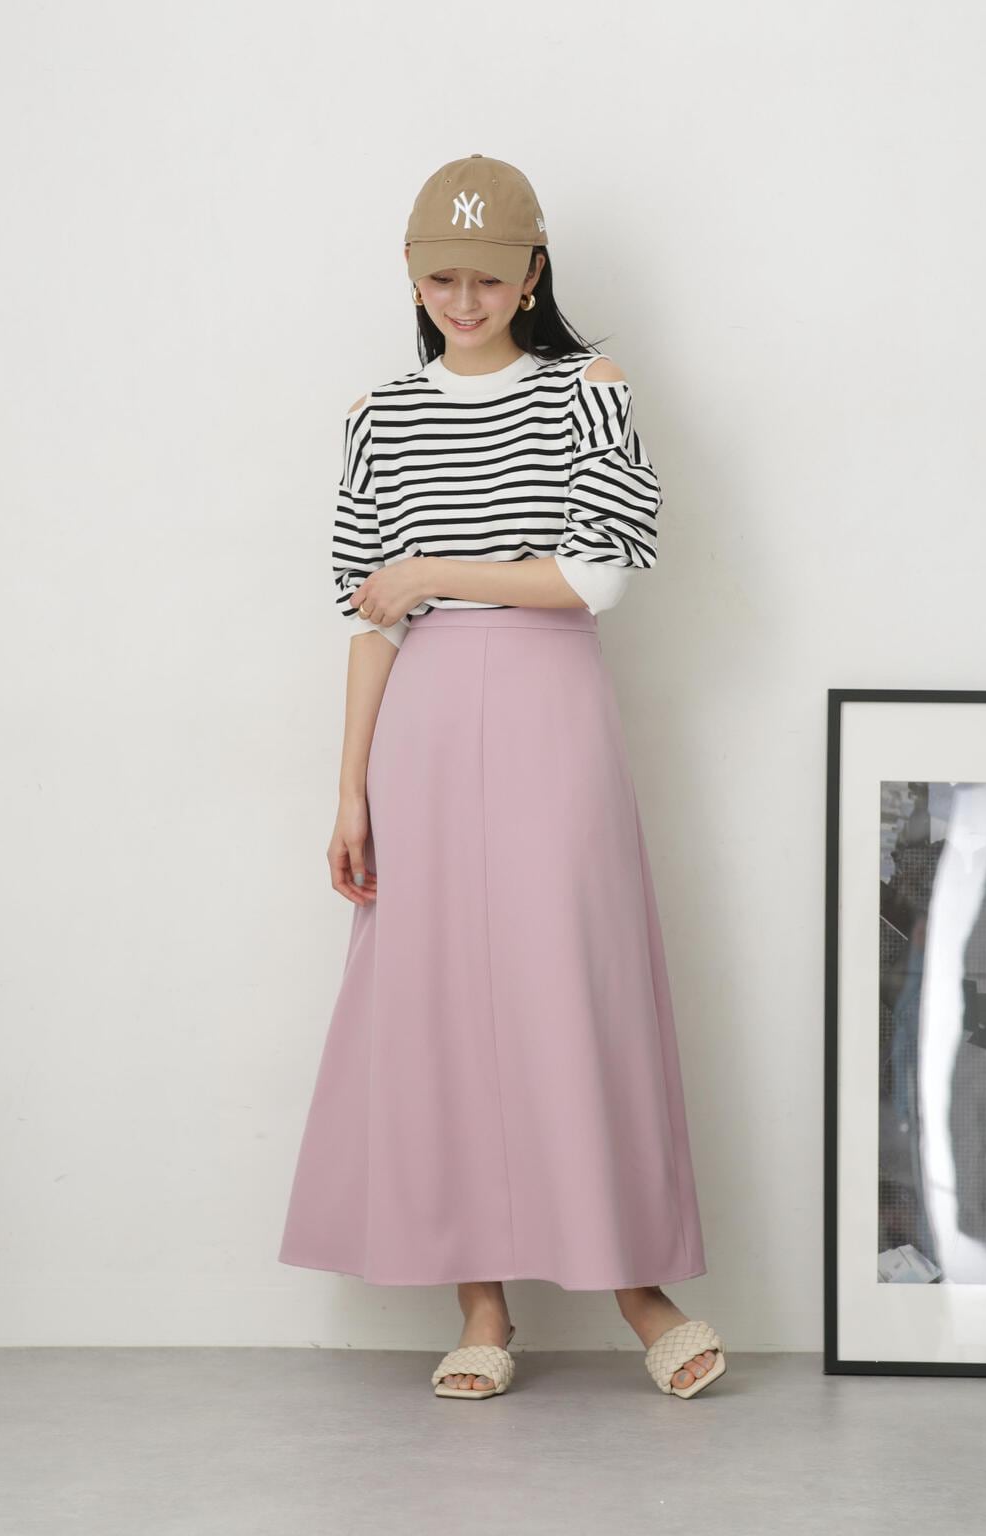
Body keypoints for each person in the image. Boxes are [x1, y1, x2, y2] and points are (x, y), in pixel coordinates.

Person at [277, 153, 726, 1401]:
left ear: (532, 275)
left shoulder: (588, 392)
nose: (463, 302)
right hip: (419, 722)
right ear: (411, 279)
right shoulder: (379, 415)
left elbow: (599, 578)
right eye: (441, 280)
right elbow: (366, 621)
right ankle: (480, 1304)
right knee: (434, 996)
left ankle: (638, 1290)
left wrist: (430, 572)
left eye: (486, 278)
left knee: (568, 979)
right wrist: (349, 789)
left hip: (549, 706)